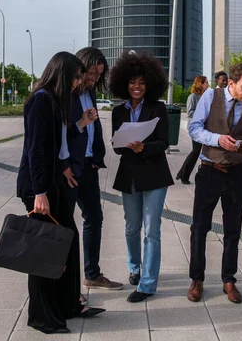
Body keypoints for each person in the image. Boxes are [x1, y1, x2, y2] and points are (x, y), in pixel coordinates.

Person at [16, 52, 105, 334]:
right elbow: (36, 150)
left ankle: (67, 303)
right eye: (77, 76)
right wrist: (40, 191)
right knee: (44, 248)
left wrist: (65, 164)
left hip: (55, 179)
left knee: (67, 238)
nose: (80, 82)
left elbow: (61, 142)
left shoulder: (55, 100)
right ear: (63, 73)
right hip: (39, 187)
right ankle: (42, 315)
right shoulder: (41, 99)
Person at [186, 62, 242, 304]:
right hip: (209, 171)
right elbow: (194, 129)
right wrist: (217, 139)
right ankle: (197, 279)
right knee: (199, 228)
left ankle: (229, 279)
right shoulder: (210, 96)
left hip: (236, 174)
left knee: (233, 230)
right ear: (231, 83)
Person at [109, 51, 174, 303]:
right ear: (124, 83)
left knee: (152, 231)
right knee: (131, 227)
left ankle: (147, 284)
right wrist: (126, 144)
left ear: (150, 84)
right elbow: (116, 145)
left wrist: (143, 147)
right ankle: (134, 266)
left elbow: (164, 142)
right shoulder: (118, 112)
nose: (137, 87)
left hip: (155, 175)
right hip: (130, 175)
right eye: (132, 82)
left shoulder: (158, 108)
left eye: (142, 82)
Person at [61, 47, 123, 293]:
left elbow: (93, 127)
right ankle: (64, 282)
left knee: (94, 218)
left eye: (98, 76)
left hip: (88, 166)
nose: (93, 79)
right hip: (69, 169)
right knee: (65, 224)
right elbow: (61, 134)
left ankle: (92, 274)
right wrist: (64, 165)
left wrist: (97, 156)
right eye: (90, 73)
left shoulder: (89, 94)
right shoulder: (66, 94)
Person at [176, 75, 209, 184]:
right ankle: (183, 174)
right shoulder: (193, 97)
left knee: (198, 151)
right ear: (200, 83)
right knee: (196, 151)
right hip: (196, 128)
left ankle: (182, 174)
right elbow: (190, 112)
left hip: (204, 128)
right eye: (206, 82)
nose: (208, 84)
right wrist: (203, 115)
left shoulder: (206, 96)